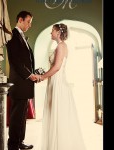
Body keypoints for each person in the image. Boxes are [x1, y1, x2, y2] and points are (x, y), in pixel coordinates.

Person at [35, 23, 86, 150]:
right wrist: (44, 75)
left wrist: (42, 77)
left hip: (58, 83)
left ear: (58, 33)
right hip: (53, 82)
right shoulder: (59, 46)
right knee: (54, 113)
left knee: (59, 115)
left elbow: (57, 67)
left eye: (52, 31)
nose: (50, 33)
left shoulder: (61, 46)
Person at [6, 11, 38, 150]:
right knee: (16, 117)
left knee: (21, 116)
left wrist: (33, 74)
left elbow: (26, 60)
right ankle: (13, 144)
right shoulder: (13, 35)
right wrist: (29, 75)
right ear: (20, 20)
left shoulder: (22, 36)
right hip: (19, 83)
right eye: (28, 21)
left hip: (24, 83)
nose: (30, 25)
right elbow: (15, 60)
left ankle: (20, 141)